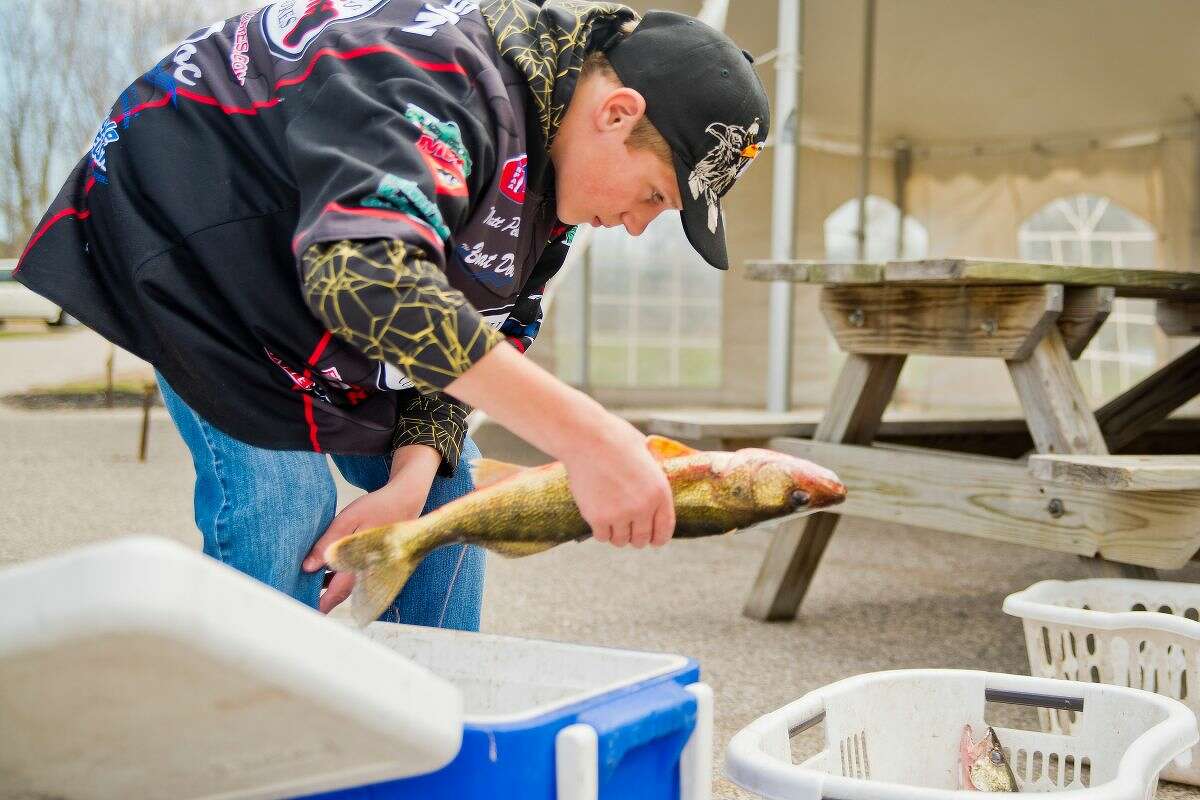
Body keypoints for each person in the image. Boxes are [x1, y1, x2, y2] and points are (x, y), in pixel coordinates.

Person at [13, 0, 770, 628]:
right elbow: (366, 277)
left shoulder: (553, 189)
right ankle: (252, 741)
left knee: (446, 501)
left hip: (317, 264)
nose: (639, 224)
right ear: (616, 112)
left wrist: (409, 483)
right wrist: (593, 438)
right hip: (205, 239)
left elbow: (477, 336)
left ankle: (436, 729)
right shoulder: (441, 81)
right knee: (285, 505)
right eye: (654, 196)